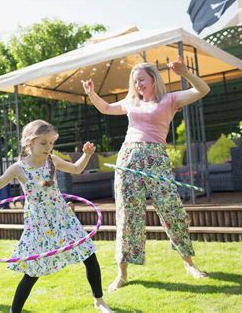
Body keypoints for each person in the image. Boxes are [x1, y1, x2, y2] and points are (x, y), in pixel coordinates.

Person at [81, 57, 210, 292]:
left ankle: (188, 263)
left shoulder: (170, 99)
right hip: (128, 158)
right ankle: (122, 274)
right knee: (127, 215)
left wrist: (184, 72)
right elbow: (106, 108)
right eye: (134, 81)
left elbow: (203, 89)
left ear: (153, 79)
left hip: (156, 160)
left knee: (171, 209)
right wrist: (91, 93)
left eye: (141, 79)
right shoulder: (131, 101)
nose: (138, 84)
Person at [0, 120, 112, 313]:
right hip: (39, 223)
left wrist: (87, 155)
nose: (49, 147)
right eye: (44, 143)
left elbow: (76, 169)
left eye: (51, 143)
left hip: (63, 217)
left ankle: (99, 301)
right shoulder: (19, 168)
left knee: (89, 255)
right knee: (32, 271)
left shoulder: (52, 160)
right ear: (30, 142)